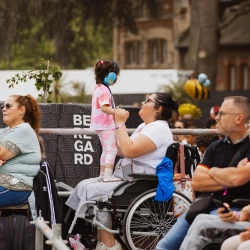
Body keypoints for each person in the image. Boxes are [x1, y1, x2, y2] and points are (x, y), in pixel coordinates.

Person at [66, 92, 179, 250]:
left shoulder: (158, 129)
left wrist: (120, 123)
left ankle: (109, 244)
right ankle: (94, 238)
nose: (142, 102)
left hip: (140, 181)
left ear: (158, 109)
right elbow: (121, 149)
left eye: (147, 101)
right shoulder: (144, 126)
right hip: (127, 176)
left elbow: (130, 151)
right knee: (83, 185)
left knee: (94, 190)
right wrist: (107, 130)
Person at [156, 96, 250, 250]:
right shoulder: (215, 147)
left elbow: (238, 178)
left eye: (222, 114)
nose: (217, 118)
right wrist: (229, 176)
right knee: (164, 246)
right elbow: (198, 182)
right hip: (204, 206)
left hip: (236, 210)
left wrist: (212, 172)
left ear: (239, 119)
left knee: (197, 233)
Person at [0, 94, 42, 207]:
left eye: (8, 106)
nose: (3, 109)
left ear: (21, 110)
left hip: (15, 188)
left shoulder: (23, 130)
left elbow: (1, 154)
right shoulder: (5, 131)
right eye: (3, 106)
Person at [90, 58, 122, 182]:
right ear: (111, 75)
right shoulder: (103, 90)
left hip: (99, 124)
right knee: (112, 149)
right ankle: (108, 175)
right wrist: (117, 112)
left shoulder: (98, 88)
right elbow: (104, 107)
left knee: (106, 149)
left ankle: (102, 174)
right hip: (106, 124)